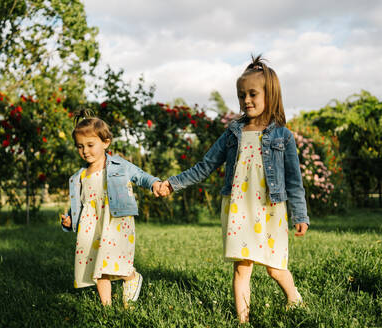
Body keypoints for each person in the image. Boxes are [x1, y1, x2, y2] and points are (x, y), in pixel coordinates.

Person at [159, 55, 309, 323]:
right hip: (239, 210)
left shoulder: (282, 136)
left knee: (275, 269)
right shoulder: (232, 133)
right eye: (241, 95)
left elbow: (294, 181)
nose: (246, 100)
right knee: (242, 268)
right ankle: (243, 320)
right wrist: (173, 183)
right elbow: (205, 166)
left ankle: (294, 298)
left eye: (253, 94)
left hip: (270, 210)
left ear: (270, 95)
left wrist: (300, 216)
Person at [61, 111, 163, 307]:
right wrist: (71, 220)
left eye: (90, 145)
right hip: (91, 225)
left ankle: (131, 277)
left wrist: (155, 184)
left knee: (116, 261)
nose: (85, 151)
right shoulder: (79, 176)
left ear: (105, 142)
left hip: (115, 220)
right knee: (97, 267)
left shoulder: (118, 165)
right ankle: (106, 308)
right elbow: (81, 205)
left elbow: (140, 175)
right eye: (80, 146)